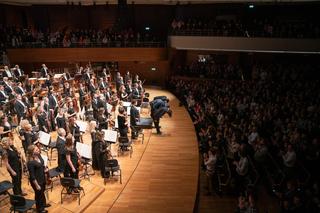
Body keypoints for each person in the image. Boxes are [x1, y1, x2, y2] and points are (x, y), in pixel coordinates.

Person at [27, 144, 50, 213]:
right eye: (36, 150)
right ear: (32, 152)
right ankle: (39, 209)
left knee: (42, 192)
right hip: (36, 181)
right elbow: (32, 176)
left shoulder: (39, 156)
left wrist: (45, 169)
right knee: (38, 195)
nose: (38, 150)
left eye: (38, 149)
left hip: (42, 178)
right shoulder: (30, 162)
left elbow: (42, 165)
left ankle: (43, 205)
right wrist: (36, 185)